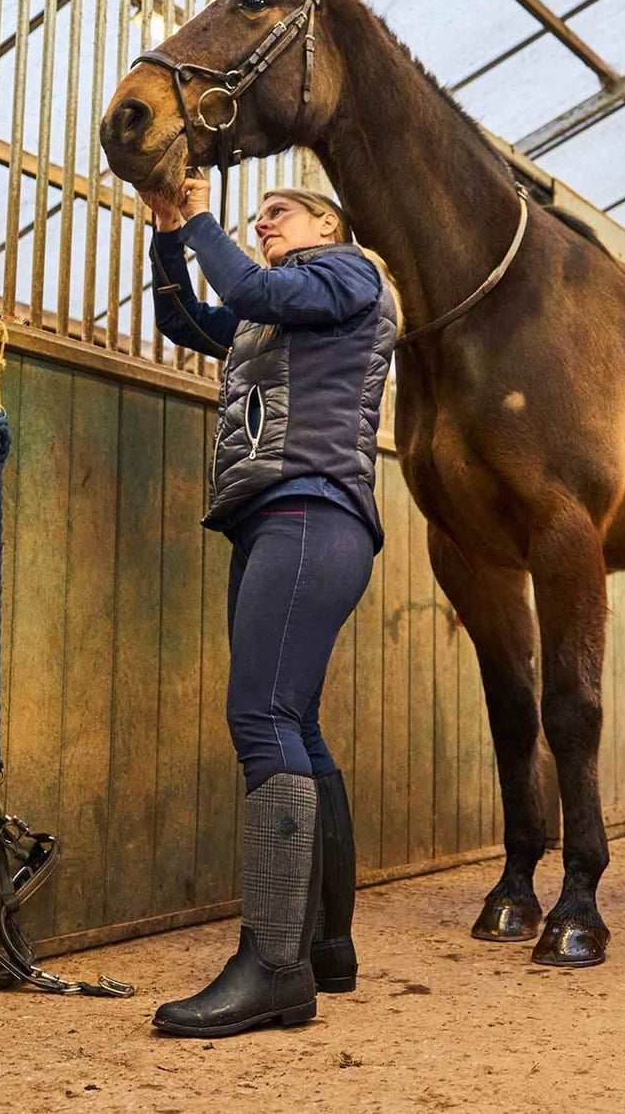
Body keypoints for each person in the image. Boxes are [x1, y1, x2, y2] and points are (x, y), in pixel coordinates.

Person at [140, 174, 397, 1037]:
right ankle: (325, 947)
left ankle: (274, 969)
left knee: (262, 718)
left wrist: (206, 218)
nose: (263, 225)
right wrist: (170, 230)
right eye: (258, 218)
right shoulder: (281, 313)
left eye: (276, 213)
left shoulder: (350, 272)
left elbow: (245, 285)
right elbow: (189, 320)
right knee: (295, 723)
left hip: (308, 507)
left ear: (328, 220)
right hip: (276, 517)